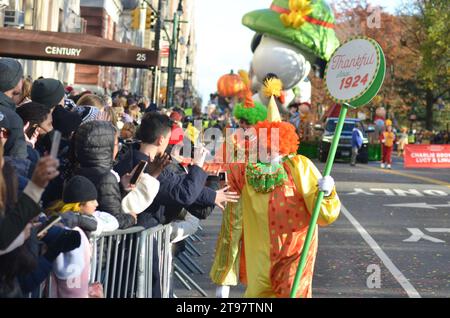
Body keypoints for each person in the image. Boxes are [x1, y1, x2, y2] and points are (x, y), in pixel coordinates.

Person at [213, 79, 340, 298]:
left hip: (295, 254)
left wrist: (327, 193)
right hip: (259, 258)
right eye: (265, 145)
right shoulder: (245, 170)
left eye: (275, 146)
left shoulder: (299, 166)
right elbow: (231, 215)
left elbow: (323, 215)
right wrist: (224, 276)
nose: (270, 151)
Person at [73, 121, 137, 229]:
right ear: (106, 147)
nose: (118, 149)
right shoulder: (106, 177)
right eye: (116, 144)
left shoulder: (75, 169)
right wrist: (131, 218)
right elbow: (113, 220)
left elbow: (104, 202)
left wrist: (121, 188)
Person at [0, 58, 28, 160]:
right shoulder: (13, 120)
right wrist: (29, 148)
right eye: (21, 77)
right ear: (14, 82)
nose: (23, 81)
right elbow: (18, 165)